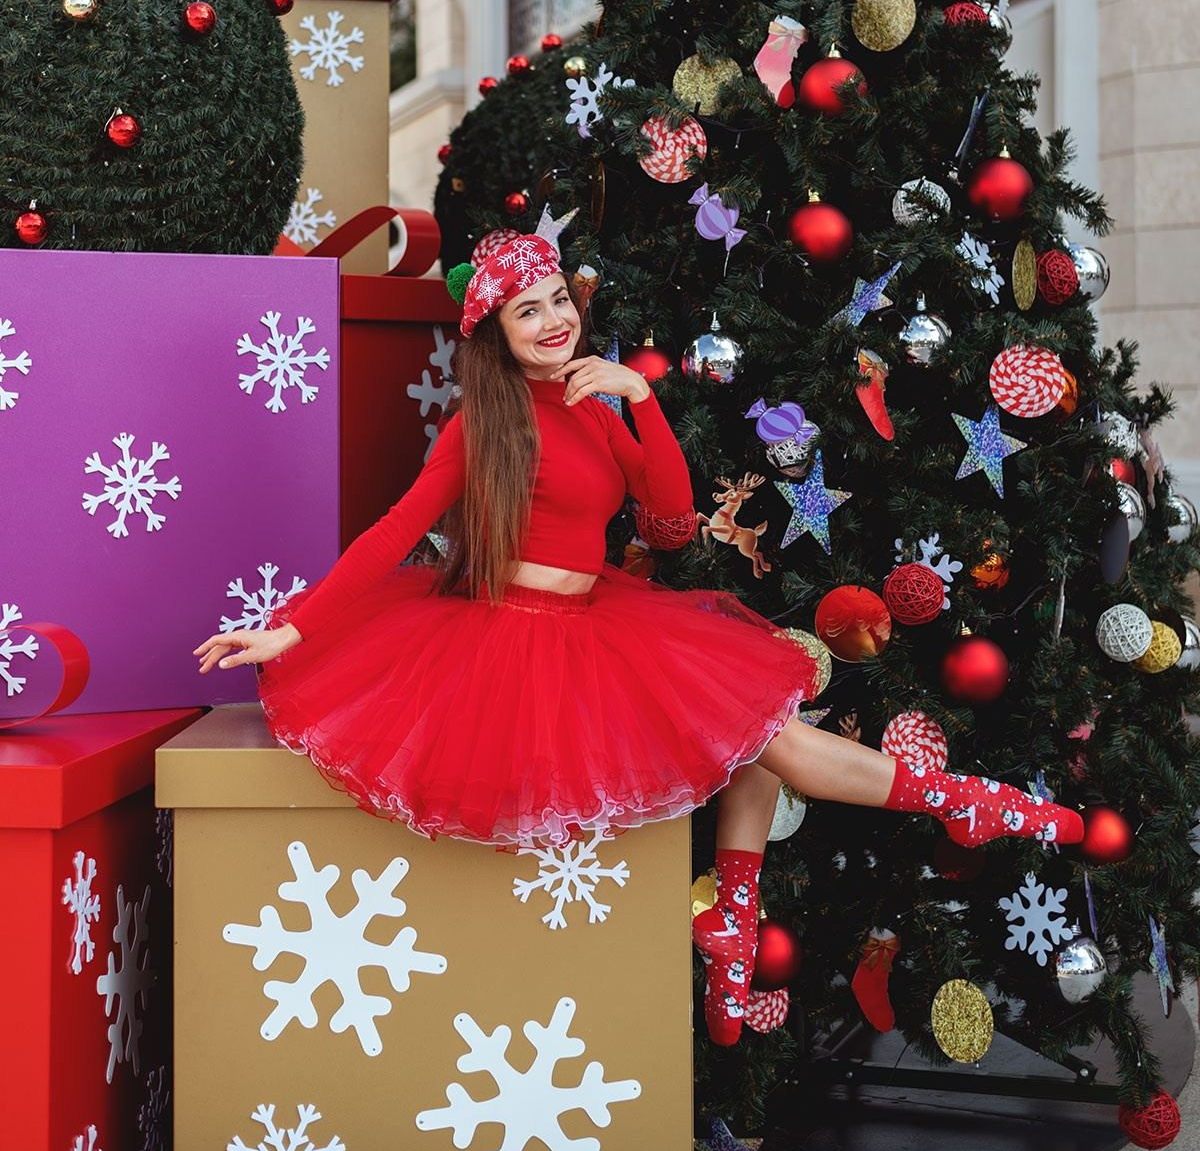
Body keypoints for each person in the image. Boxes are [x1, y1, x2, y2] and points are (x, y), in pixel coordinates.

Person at [195, 233, 1083, 1046]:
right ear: (493, 333)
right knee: (790, 750)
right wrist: (294, 628)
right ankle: (969, 801)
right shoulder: (483, 427)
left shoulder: (590, 404)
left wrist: (641, 400)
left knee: (745, 736)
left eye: (557, 298)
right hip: (516, 644)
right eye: (526, 309)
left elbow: (665, 523)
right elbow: (393, 531)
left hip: (600, 620)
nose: (552, 320)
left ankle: (732, 919)